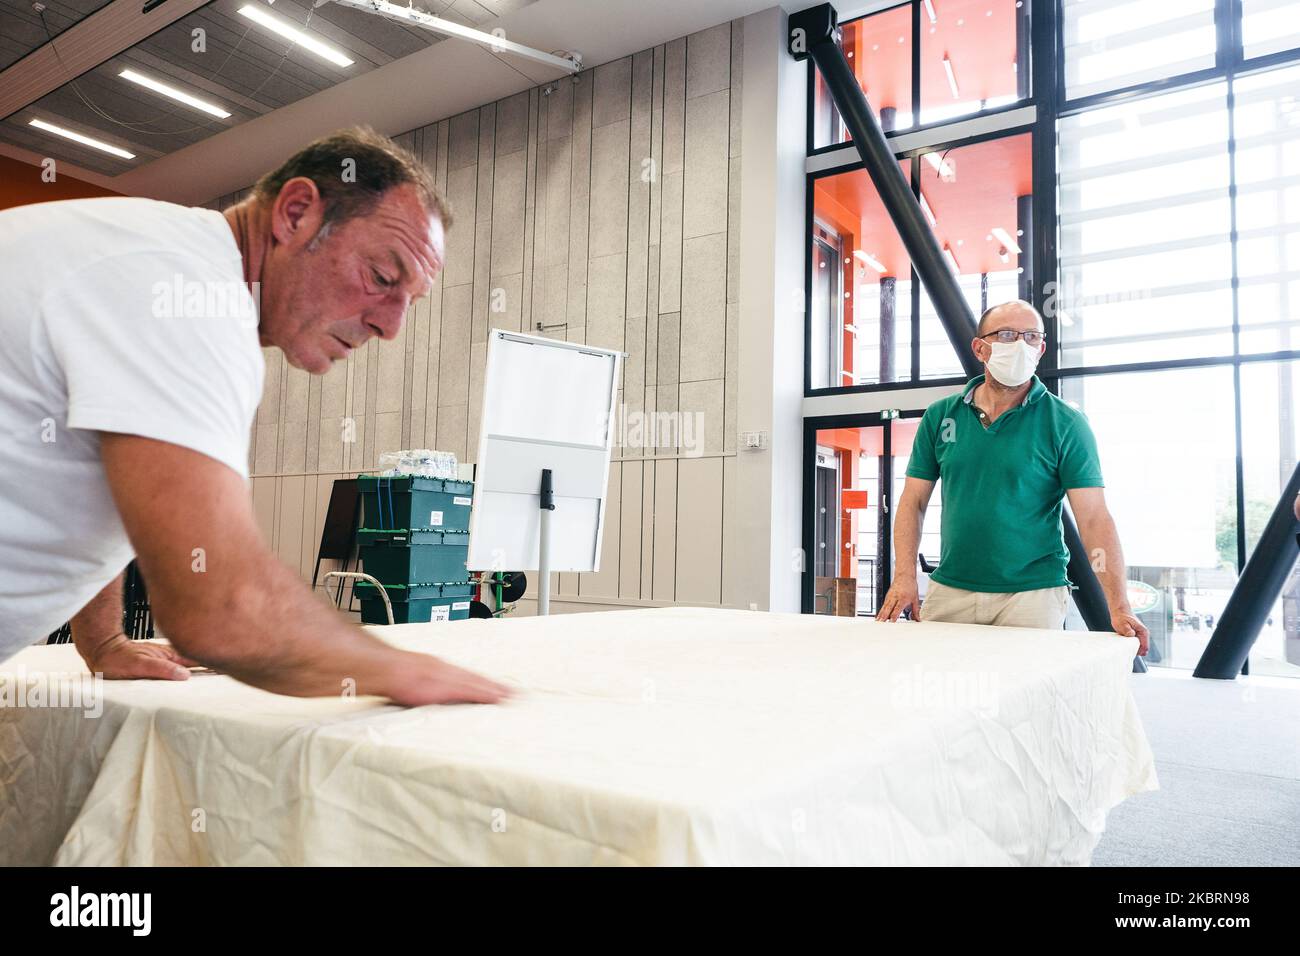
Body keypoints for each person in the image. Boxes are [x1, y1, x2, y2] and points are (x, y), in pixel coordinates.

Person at [0, 127, 509, 705]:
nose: (389, 327)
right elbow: (216, 607)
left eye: (408, 303)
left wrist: (104, 639)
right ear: (296, 214)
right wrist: (400, 671)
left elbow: (105, 470)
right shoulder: (187, 294)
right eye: (382, 278)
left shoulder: (163, 262)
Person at [876, 300, 1149, 655]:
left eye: (1031, 336)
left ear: (1041, 348)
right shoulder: (940, 416)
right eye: (1006, 335)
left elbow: (1094, 517)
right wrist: (904, 577)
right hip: (951, 589)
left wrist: (1119, 605)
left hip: (1032, 596)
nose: (1020, 345)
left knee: (1026, 703)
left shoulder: (1066, 423)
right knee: (945, 694)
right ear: (980, 348)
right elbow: (913, 502)